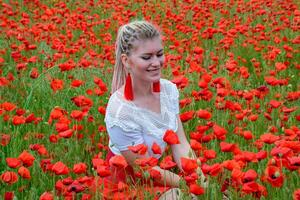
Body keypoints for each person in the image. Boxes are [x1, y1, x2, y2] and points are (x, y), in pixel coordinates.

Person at [104, 20, 207, 200]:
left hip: (159, 178)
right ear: (126, 61)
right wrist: (187, 185)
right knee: (182, 197)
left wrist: (200, 180)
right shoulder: (121, 110)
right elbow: (143, 170)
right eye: (147, 57)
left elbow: (180, 144)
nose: (156, 62)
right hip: (126, 187)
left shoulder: (168, 91)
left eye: (159, 54)